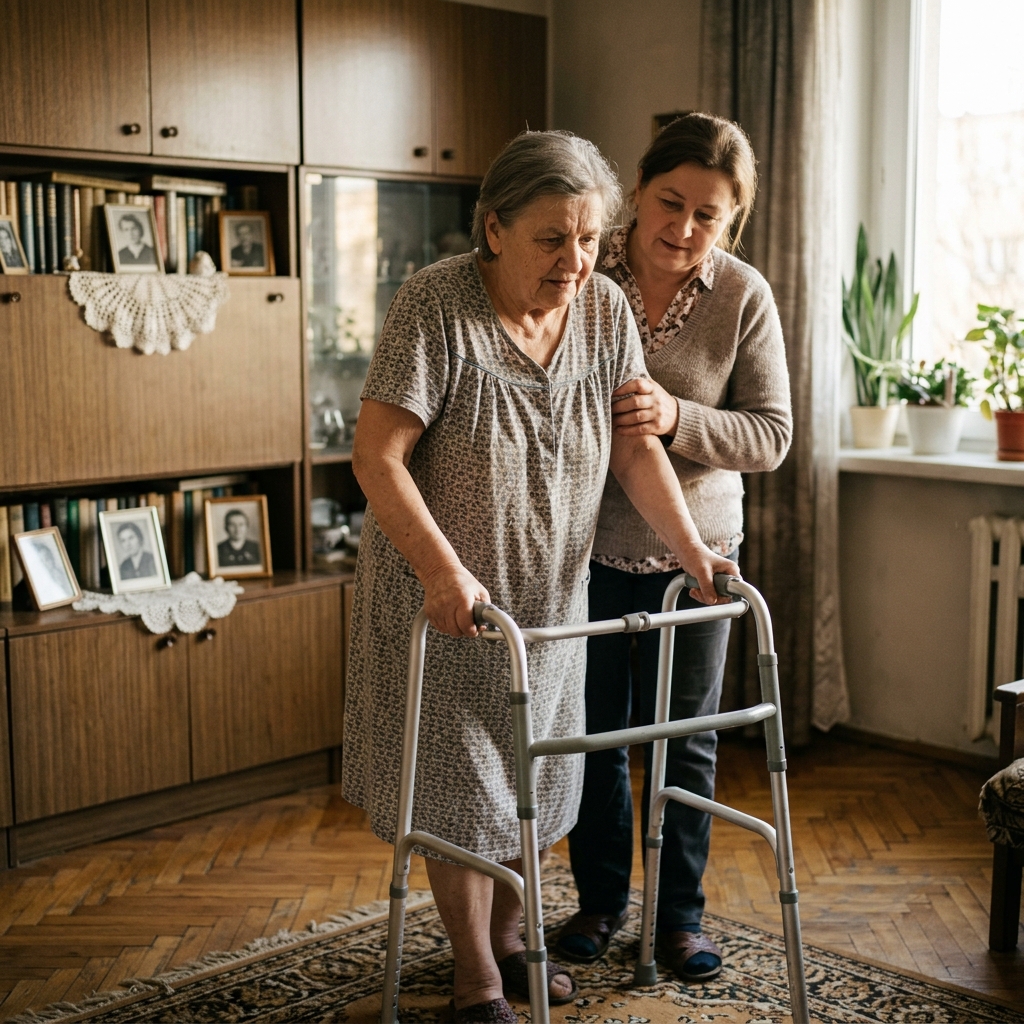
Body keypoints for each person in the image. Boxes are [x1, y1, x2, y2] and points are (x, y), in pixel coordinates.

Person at [343, 129, 739, 1023]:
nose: (576, 261)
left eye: (590, 238)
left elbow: (637, 451)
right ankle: (477, 974)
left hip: (552, 595)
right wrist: (445, 575)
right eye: (551, 239)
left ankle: (515, 940)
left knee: (536, 781)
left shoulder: (602, 309)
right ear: (494, 229)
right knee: (463, 789)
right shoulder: (434, 305)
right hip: (446, 597)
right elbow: (378, 457)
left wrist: (694, 554)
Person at [556, 112, 792, 982]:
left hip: (699, 559)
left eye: (710, 216)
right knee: (593, 738)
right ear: (637, 192)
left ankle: (677, 919)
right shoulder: (582, 268)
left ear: (733, 223)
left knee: (684, 742)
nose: (684, 229)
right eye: (670, 202)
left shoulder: (743, 295)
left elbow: (771, 435)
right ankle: (599, 903)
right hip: (581, 555)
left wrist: (677, 416)